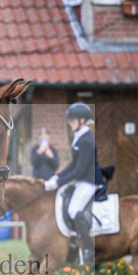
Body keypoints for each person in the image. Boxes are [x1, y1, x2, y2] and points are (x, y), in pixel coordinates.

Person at [44, 102, 103, 264]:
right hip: (83, 179)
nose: (69, 123)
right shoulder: (79, 136)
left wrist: (59, 182)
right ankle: (73, 244)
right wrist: (57, 177)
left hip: (90, 180)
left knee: (73, 209)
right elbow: (73, 164)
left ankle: (89, 249)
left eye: (72, 120)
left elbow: (79, 170)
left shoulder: (86, 140)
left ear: (82, 120)